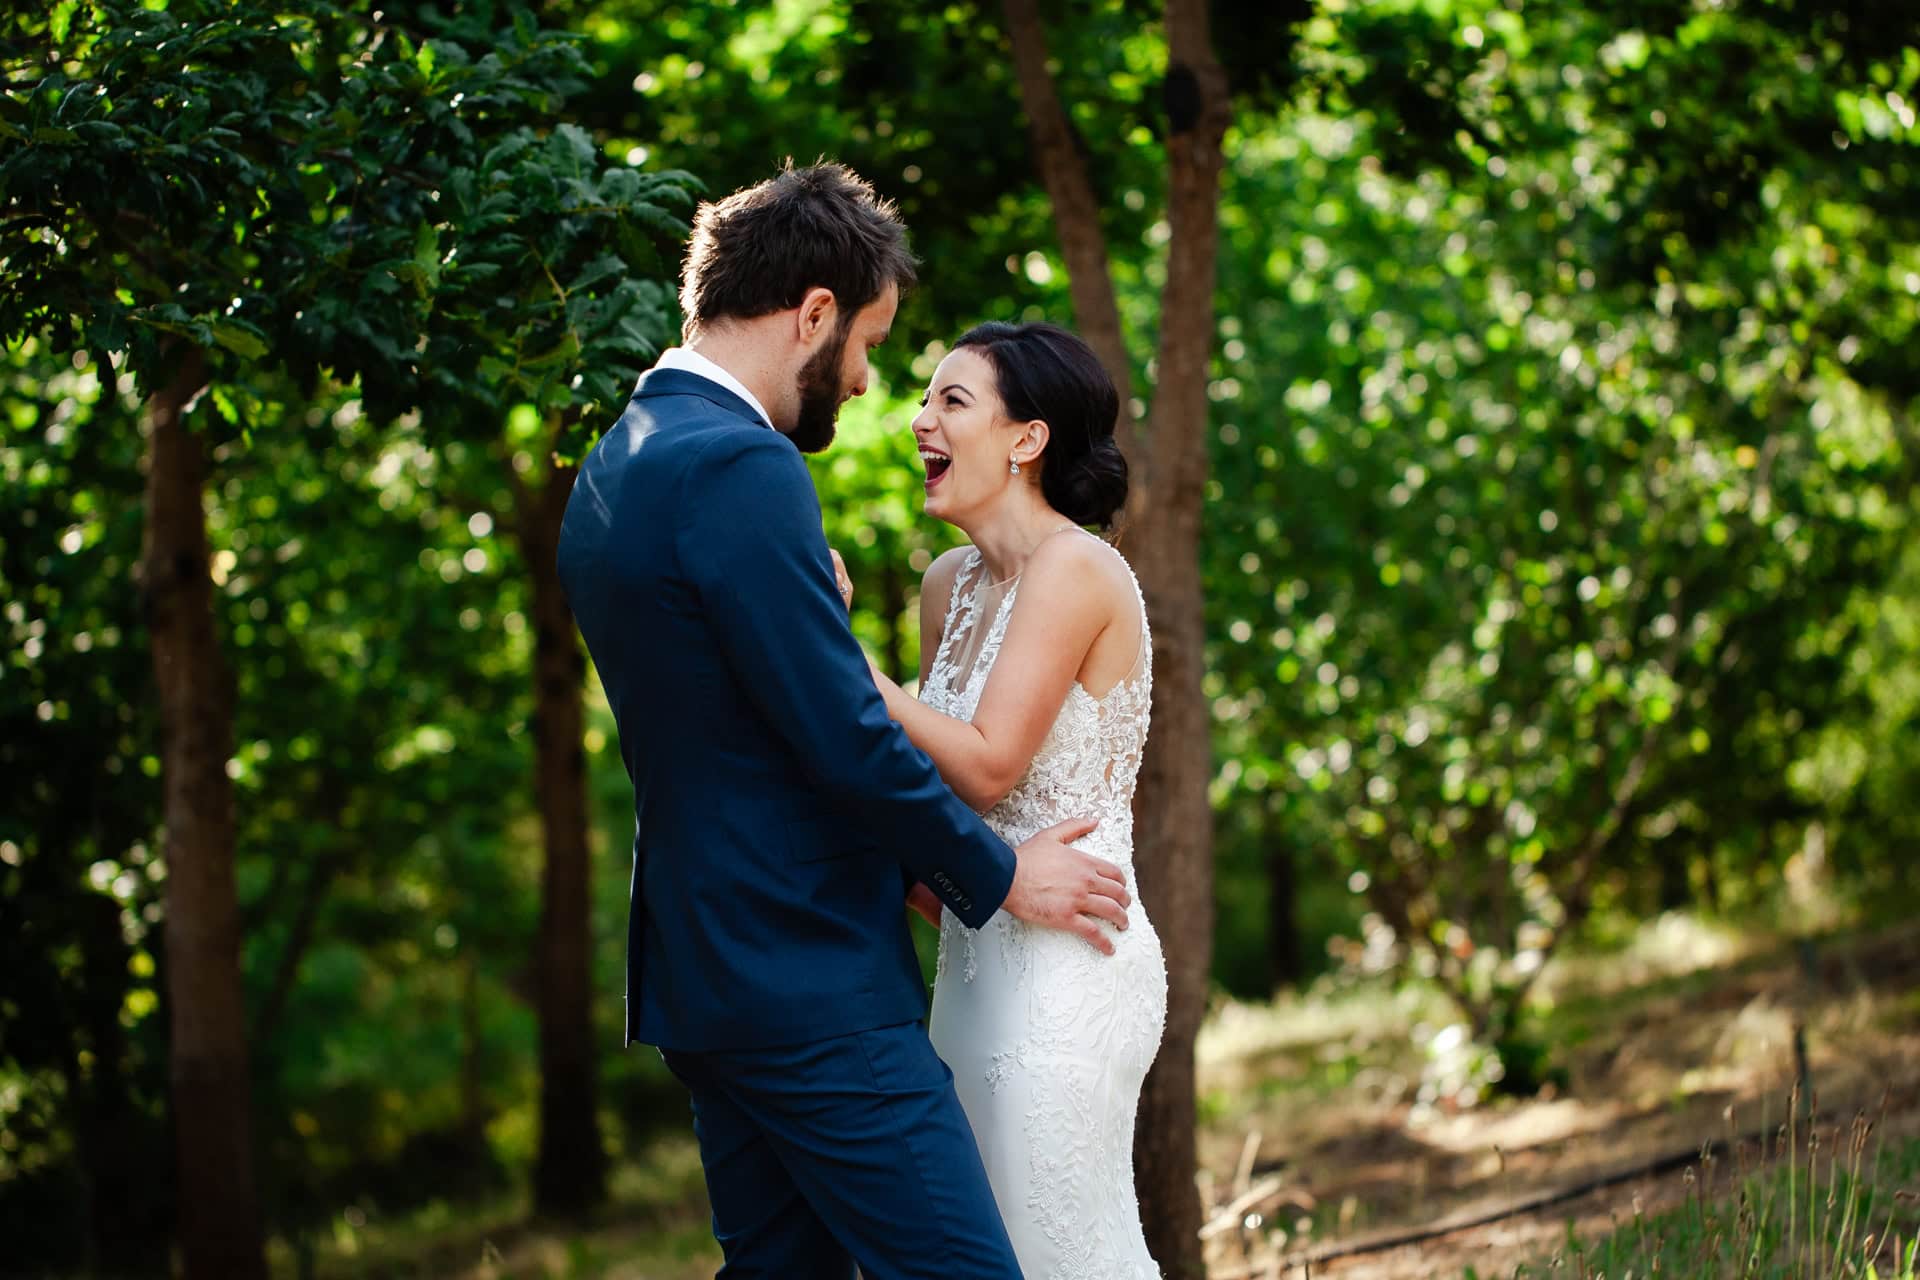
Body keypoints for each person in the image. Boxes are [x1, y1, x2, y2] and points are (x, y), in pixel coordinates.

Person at [555, 161, 1133, 1279]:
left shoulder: (619, 463)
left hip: (703, 973)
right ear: (813, 313)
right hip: (806, 976)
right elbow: (840, 731)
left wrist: (807, 614)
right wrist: (1000, 874)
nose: (868, 382)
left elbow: (736, 708)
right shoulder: (739, 464)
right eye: (867, 343)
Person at [846, 321, 1166, 1277]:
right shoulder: (947, 585)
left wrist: (849, 670)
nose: (918, 423)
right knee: (980, 1252)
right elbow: (935, 785)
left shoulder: (1078, 569)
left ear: (1027, 440)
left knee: (1053, 1243)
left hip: (1074, 958)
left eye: (951, 402)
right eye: (923, 401)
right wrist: (918, 869)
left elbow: (987, 766)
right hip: (972, 959)